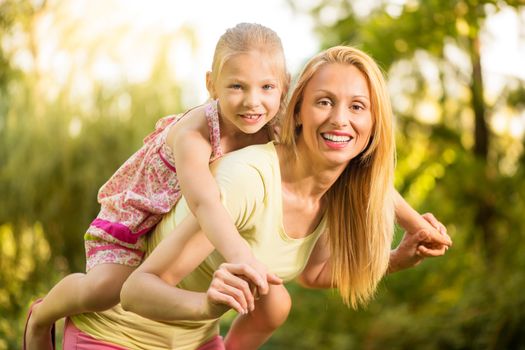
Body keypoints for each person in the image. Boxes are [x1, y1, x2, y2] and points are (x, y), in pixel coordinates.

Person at [58, 45, 451, 350]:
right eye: (325, 101)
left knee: (278, 303)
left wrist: (400, 256)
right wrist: (207, 307)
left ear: (373, 125)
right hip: (116, 337)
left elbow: (314, 273)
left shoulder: (335, 191)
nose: (339, 119)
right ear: (296, 111)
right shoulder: (247, 178)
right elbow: (136, 289)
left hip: (195, 343)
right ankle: (45, 316)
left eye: (357, 107)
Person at [23, 22, 290, 350]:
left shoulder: (273, 131)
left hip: (169, 226)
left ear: (284, 88)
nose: (253, 101)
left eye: (267, 87)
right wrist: (241, 256)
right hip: (134, 217)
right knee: (105, 289)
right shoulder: (195, 131)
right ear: (212, 84)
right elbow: (204, 201)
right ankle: (42, 314)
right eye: (237, 86)